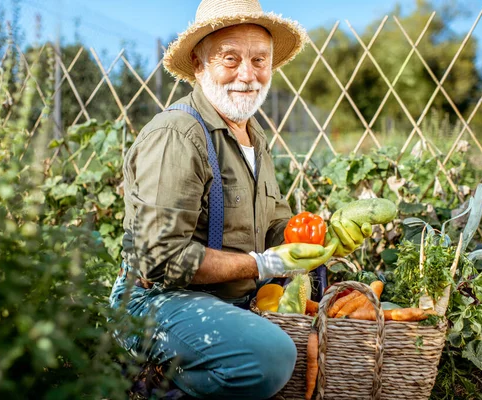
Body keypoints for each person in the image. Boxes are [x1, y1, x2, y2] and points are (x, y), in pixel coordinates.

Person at [109, 0, 370, 398]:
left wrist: (323, 236)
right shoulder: (178, 136)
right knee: (271, 356)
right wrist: (262, 264)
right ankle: (156, 386)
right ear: (199, 64)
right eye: (230, 59)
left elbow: (273, 226)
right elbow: (158, 258)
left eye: (259, 60)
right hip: (155, 301)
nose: (247, 75)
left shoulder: (253, 138)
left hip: (228, 300)